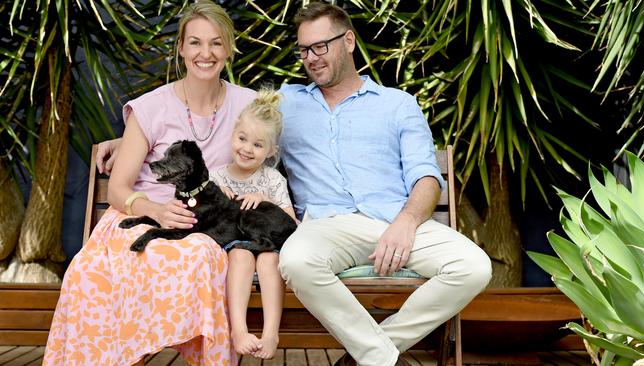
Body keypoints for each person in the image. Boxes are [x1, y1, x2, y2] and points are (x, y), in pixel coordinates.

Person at [276, 3, 492, 366]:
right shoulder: (285, 103)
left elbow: (427, 177)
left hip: (395, 220)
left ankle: (367, 355)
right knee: (296, 260)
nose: (310, 58)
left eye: (320, 46)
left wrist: (406, 223)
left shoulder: (398, 105)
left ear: (348, 41)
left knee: (473, 266)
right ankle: (381, 357)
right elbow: (234, 128)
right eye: (303, 49)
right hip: (327, 225)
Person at [43, 2, 256, 365]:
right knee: (88, 275)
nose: (206, 54)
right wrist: (155, 210)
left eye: (216, 43)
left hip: (203, 226)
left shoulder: (249, 106)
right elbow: (118, 188)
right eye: (195, 43)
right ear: (181, 49)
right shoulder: (151, 107)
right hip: (139, 222)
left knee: (201, 253)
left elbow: (267, 159)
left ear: (230, 48)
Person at [211, 88, 296, 359]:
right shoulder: (217, 178)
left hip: (267, 242)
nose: (247, 149)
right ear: (233, 134)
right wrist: (216, 201)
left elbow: (291, 221)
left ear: (271, 151)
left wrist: (264, 200)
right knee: (241, 255)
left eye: (258, 145)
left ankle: (271, 332)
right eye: (242, 139)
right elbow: (203, 221)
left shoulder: (272, 180)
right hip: (234, 246)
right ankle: (239, 329)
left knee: (269, 260)